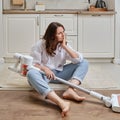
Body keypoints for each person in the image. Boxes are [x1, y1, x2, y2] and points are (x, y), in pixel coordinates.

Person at [27, 22, 88, 117]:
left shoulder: (63, 45)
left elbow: (78, 59)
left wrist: (65, 47)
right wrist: (45, 69)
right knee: (30, 73)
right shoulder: (39, 45)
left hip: (59, 74)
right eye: (59, 33)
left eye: (63, 32)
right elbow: (33, 64)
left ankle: (71, 90)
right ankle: (60, 102)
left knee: (84, 62)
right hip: (44, 75)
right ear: (52, 35)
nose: (63, 35)